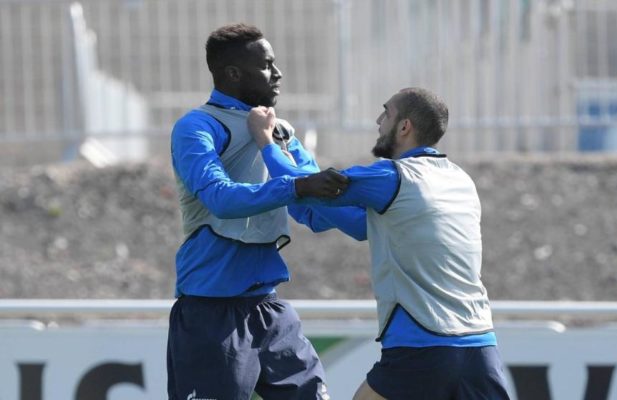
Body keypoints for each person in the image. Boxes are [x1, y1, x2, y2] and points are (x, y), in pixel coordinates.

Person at [247, 87, 511, 400]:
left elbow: (311, 189)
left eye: (386, 113)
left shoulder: (391, 177)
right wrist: (292, 146)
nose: (378, 120)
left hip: (422, 345)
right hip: (480, 347)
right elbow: (345, 220)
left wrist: (266, 142)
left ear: (404, 126)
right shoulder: (460, 180)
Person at [166, 23, 348, 400]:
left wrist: (374, 206)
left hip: (269, 306)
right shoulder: (197, 126)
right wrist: (298, 186)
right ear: (233, 74)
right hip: (210, 311)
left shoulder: (279, 131)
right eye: (267, 65)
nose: (278, 74)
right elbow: (220, 198)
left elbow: (313, 212)